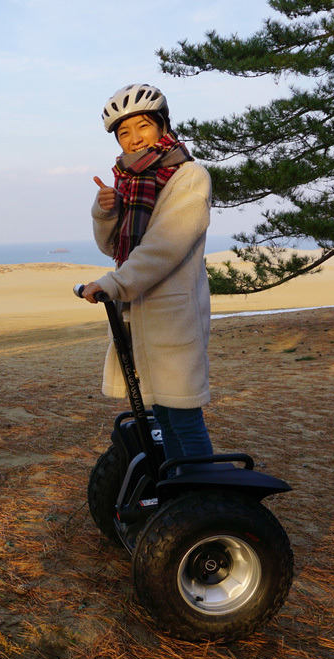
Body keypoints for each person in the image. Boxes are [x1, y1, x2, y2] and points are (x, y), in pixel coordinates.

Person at [80, 83, 214, 466]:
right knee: (164, 418)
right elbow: (114, 248)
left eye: (143, 126)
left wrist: (113, 284)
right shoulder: (129, 181)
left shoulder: (188, 177)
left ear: (162, 127)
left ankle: (203, 501)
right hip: (137, 316)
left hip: (173, 317)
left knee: (184, 417)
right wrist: (105, 211)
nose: (135, 138)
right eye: (125, 132)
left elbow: (163, 247)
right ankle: (178, 491)